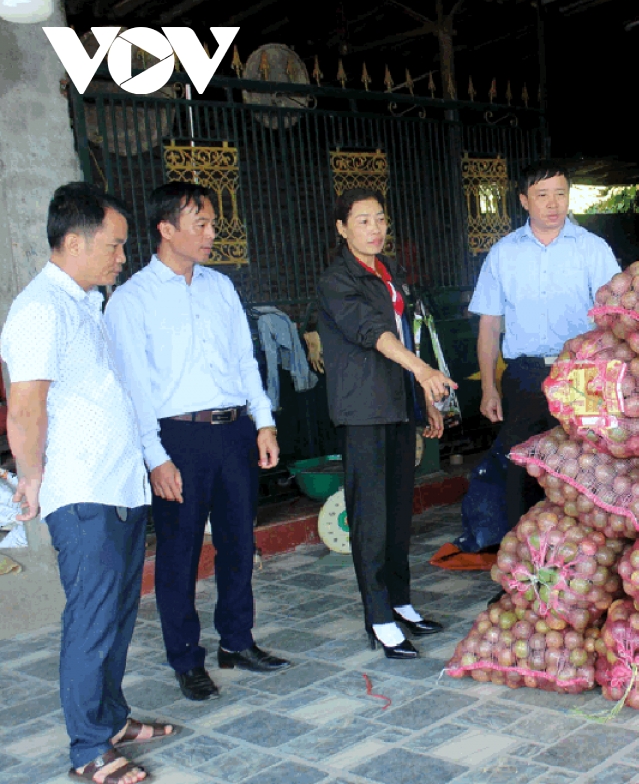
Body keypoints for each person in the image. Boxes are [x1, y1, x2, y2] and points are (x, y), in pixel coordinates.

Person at [2, 183, 176, 784]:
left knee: (119, 615)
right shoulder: (39, 311)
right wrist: (29, 479)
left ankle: (112, 718)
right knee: (92, 620)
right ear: (73, 242)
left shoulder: (84, 304)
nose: (123, 256)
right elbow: (24, 408)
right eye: (115, 244)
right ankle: (87, 750)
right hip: (82, 495)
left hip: (118, 487)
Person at [104, 182, 290, 702]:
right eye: (201, 224)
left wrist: (263, 421)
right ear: (167, 229)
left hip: (233, 430)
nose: (212, 233)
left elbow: (244, 360)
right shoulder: (132, 299)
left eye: (212, 223)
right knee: (180, 552)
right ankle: (186, 658)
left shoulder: (220, 287)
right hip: (177, 437)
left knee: (237, 540)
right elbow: (133, 388)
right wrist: (155, 457)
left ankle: (237, 640)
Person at [317, 187, 456, 659]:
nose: (375, 229)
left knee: (398, 514)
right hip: (363, 412)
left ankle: (400, 601)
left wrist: (424, 398)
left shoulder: (389, 272)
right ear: (341, 228)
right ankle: (377, 617)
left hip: (398, 406)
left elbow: (405, 336)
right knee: (370, 517)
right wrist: (423, 371)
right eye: (362, 221)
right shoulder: (338, 279)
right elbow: (372, 334)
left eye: (379, 219)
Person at [468, 162, 621, 564]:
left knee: (588, 467)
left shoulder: (593, 248)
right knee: (522, 468)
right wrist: (488, 386)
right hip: (525, 375)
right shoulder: (503, 254)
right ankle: (526, 565)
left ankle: (588, 564)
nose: (553, 204)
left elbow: (615, 318)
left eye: (560, 193)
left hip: (585, 373)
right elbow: (489, 326)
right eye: (542, 195)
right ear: (523, 201)